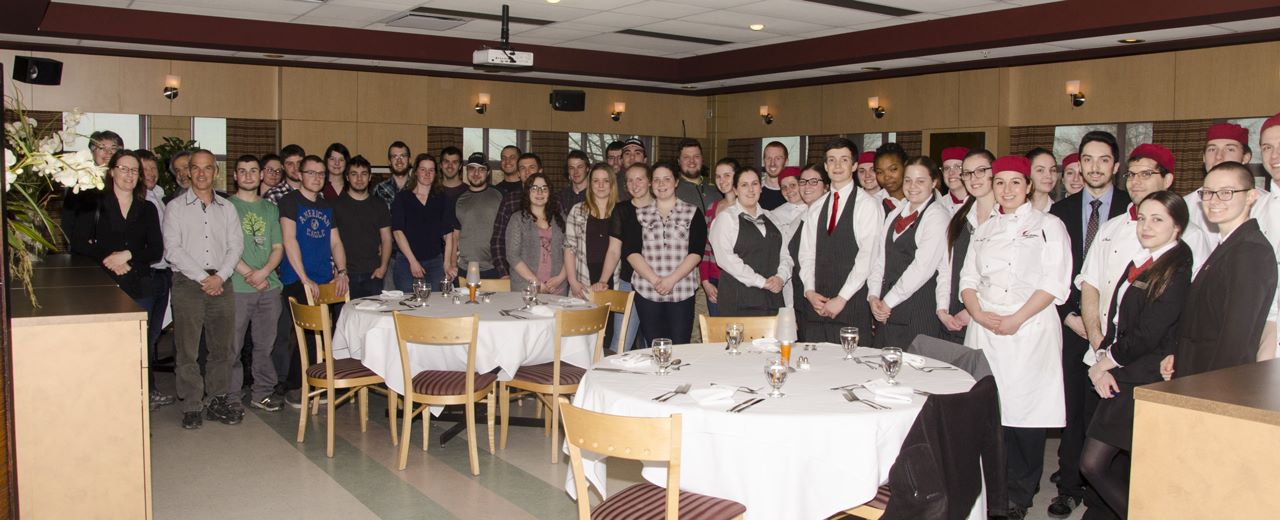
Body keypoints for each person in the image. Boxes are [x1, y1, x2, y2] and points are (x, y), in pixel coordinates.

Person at [959, 155, 1071, 520]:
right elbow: (968, 280)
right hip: (986, 329)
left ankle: (1020, 496)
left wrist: (1017, 318)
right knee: (992, 414)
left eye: (1015, 182)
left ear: (1029, 185)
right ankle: (995, 490)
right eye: (1000, 182)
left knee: (1027, 415)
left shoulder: (1049, 225)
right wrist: (978, 313)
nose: (1006, 189)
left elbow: (1055, 282)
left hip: (1030, 328)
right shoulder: (984, 229)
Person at [1080, 191, 1193, 519]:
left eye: (1157, 219)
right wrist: (1104, 357)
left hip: (1142, 376)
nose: (1146, 226)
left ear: (1177, 226)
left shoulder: (1177, 267)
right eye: (1142, 218)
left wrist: (1105, 364)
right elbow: (1118, 318)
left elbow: (1149, 333)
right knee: (1110, 464)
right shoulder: (1145, 259)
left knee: (1094, 463)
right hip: (1123, 369)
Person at [1047, 131, 1131, 519]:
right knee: (1072, 408)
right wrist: (1069, 315)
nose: (1094, 167)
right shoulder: (1060, 212)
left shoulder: (1135, 210)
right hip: (1070, 325)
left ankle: (1101, 493)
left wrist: (1098, 325)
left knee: (1106, 410)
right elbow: (1053, 272)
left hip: (1115, 331)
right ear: (1078, 164)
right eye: (1087, 160)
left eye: (1103, 160)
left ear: (1116, 165)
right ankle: (1068, 484)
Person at [70, 149, 169, 408]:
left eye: (134, 170)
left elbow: (156, 250)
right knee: (107, 347)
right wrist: (111, 260)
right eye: (123, 168)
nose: (129, 174)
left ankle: (138, 401)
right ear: (112, 171)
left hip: (140, 286)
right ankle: (107, 401)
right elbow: (79, 243)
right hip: (104, 286)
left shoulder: (146, 208)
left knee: (139, 348)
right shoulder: (93, 202)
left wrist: (128, 255)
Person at [1165, 162, 1277, 380]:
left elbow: (1236, 337)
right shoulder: (1228, 245)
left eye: (1226, 193)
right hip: (1195, 374)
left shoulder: (1250, 251)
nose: (1214, 201)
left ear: (1251, 196)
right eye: (1207, 193)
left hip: (1215, 382)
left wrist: (1216, 390)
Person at [163, 150, 245, 429]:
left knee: (222, 348)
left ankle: (217, 399)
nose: (201, 173)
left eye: (207, 168)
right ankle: (192, 404)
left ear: (215, 172)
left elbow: (236, 246)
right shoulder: (175, 208)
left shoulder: (228, 208)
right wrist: (202, 277)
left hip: (222, 281)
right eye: (195, 168)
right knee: (187, 349)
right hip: (188, 283)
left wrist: (220, 276)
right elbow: (173, 249)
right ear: (188, 172)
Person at [276, 154, 349, 407]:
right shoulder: (289, 201)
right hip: (296, 279)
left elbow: (336, 241)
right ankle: (297, 387)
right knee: (305, 336)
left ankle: (318, 383)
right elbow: (289, 239)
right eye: (311, 173)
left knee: (324, 334)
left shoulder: (327, 206)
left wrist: (342, 271)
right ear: (300, 174)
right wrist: (304, 278)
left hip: (324, 280)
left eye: (321, 174)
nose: (317, 178)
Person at [798, 138, 884, 343]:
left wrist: (841, 298)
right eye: (832, 160)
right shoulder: (816, 207)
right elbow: (806, 254)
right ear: (826, 166)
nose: (837, 166)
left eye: (844, 160)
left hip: (850, 307)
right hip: (816, 309)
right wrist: (809, 291)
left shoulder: (867, 205)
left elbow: (867, 257)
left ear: (854, 165)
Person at [623, 162, 706, 343]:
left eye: (666, 179)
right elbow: (631, 251)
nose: (661, 184)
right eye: (657, 180)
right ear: (651, 185)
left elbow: (696, 251)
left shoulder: (692, 212)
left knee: (680, 345)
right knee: (654, 345)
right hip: (647, 291)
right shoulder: (639, 214)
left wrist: (671, 280)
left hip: (682, 291)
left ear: (676, 182)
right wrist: (655, 280)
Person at [868, 156, 947, 347]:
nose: (913, 186)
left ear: (934, 182)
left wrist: (887, 303)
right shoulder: (897, 212)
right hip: (887, 310)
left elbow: (922, 268)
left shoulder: (937, 215)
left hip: (917, 312)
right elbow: (880, 259)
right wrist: (873, 296)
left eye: (921, 181)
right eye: (908, 180)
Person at [227, 155, 285, 413]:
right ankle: (231, 396)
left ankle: (262, 393)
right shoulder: (226, 207)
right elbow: (225, 249)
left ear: (261, 175)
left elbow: (277, 247)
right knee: (233, 346)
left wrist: (264, 273)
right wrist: (251, 274)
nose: (248, 176)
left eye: (253, 171)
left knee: (265, 345)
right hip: (238, 288)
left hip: (269, 289)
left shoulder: (271, 209)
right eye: (243, 171)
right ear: (235, 176)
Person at [708, 166, 790, 316]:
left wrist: (780, 278)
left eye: (755, 184)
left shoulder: (772, 217)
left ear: (761, 188)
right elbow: (726, 260)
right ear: (736, 190)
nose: (750, 189)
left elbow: (785, 255)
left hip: (772, 299)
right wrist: (761, 282)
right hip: (738, 300)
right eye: (744, 185)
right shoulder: (726, 219)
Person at [936, 150, 997, 345]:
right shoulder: (961, 217)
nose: (973, 178)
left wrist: (973, 309)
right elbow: (947, 266)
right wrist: (942, 308)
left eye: (980, 171)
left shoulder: (1006, 218)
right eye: (968, 173)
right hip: (954, 314)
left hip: (991, 315)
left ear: (994, 173)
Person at [135, 148, 177, 409]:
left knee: (153, 336)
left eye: (153, 169)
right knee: (144, 338)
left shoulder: (159, 196)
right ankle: (143, 391)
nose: (150, 174)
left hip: (163, 274)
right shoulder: (138, 202)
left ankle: (149, 390)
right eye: (144, 170)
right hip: (147, 275)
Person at [392, 153, 458, 292]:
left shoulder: (442, 199)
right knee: (408, 305)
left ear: (435, 173)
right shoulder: (402, 198)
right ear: (415, 172)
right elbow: (398, 232)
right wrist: (413, 261)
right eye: (423, 169)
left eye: (431, 170)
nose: (427, 174)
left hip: (435, 262)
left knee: (434, 307)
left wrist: (446, 264)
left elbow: (448, 234)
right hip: (406, 262)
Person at [608, 163, 654, 351]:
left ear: (650, 182)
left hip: (659, 285)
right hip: (629, 283)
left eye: (640, 179)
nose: (635, 184)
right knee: (621, 342)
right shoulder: (621, 210)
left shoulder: (663, 207)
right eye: (630, 180)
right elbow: (613, 250)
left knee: (655, 343)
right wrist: (604, 279)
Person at [1183, 123, 1254, 242]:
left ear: (1245, 157)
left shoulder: (1264, 202)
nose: (1219, 156)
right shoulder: (1186, 205)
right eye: (1212, 149)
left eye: (1230, 149)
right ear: (1204, 158)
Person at [333, 155, 392, 299]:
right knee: (345, 320)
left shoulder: (379, 205)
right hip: (346, 276)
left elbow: (387, 239)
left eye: (363, 174)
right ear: (347, 177)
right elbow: (332, 242)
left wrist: (383, 268)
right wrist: (338, 270)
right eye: (354, 174)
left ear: (370, 177)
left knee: (372, 320)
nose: (359, 179)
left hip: (373, 275)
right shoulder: (336, 205)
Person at [565, 162, 621, 300]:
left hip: (610, 276)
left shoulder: (620, 212)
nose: (600, 185)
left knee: (607, 321)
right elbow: (569, 248)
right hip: (582, 277)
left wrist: (603, 281)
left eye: (605, 181)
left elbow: (615, 251)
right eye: (596, 181)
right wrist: (572, 281)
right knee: (583, 320)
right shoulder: (578, 210)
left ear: (612, 184)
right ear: (590, 184)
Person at [507, 173, 567, 296]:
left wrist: (560, 278)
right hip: (526, 288)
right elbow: (512, 256)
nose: (539, 193)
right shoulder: (517, 219)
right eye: (534, 188)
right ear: (527, 192)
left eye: (544, 189)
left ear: (549, 193)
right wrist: (537, 283)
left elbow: (571, 252)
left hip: (557, 288)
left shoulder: (561, 219)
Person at [491, 152, 548, 278]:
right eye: (522, 168)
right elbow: (498, 239)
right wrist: (504, 273)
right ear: (518, 173)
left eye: (531, 167)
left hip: (551, 276)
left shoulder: (554, 200)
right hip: (517, 276)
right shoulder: (509, 200)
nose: (527, 172)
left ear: (540, 171)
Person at [787, 163, 830, 313]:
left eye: (813, 182)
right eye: (803, 182)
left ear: (826, 187)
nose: (807, 187)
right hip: (801, 296)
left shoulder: (833, 219)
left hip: (824, 297)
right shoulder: (798, 221)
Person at [700, 159, 740, 317]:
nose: (722, 181)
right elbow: (705, 247)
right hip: (714, 280)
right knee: (717, 335)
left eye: (727, 175)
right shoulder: (712, 207)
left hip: (740, 281)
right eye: (718, 176)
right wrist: (705, 282)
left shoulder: (747, 207)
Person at [455, 153, 504, 279]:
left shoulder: (499, 195)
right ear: (467, 171)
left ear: (487, 173)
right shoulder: (459, 199)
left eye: (481, 169)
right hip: (464, 269)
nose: (476, 173)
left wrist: (505, 268)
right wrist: (451, 264)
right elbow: (454, 236)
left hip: (494, 268)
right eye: (472, 168)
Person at [674, 138, 722, 213]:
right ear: (679, 161)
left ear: (702, 159)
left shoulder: (716, 187)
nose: (692, 161)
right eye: (686, 157)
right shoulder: (672, 189)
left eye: (696, 156)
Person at [373, 141, 412, 209]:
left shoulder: (418, 187)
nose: (399, 160)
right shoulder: (379, 190)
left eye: (403, 156)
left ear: (409, 160)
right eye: (394, 156)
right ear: (389, 162)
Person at [874, 143, 908, 213]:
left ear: (906, 166)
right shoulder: (874, 203)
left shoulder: (921, 197)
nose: (886, 177)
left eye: (893, 169)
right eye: (880, 172)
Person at [560, 149, 591, 217]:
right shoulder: (561, 197)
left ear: (587, 168)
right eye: (571, 168)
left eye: (580, 167)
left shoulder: (596, 195)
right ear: (568, 170)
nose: (575, 172)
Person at [938, 146, 969, 214]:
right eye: (946, 168)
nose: (951, 172)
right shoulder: (938, 206)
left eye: (957, 167)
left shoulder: (981, 202)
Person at [760, 141, 788, 210]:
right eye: (769, 158)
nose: (772, 163)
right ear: (764, 161)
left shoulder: (793, 193)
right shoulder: (754, 191)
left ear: (786, 162)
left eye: (778, 158)